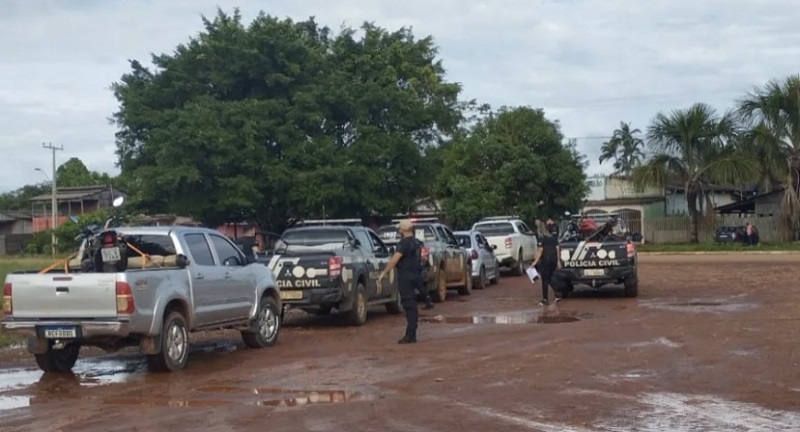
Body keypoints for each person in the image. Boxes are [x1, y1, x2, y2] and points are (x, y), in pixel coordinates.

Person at [379, 219, 424, 344]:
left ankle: (410, 334)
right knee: (412, 305)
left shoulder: (403, 244)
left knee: (409, 305)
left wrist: (384, 272)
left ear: (402, 230)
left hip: (405, 276)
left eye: (399, 228)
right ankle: (412, 332)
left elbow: (394, 260)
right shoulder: (417, 243)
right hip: (416, 275)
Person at [531, 218, 561, 306]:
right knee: (549, 277)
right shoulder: (551, 237)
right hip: (553, 259)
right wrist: (558, 260)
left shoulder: (541, 238)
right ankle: (557, 293)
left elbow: (540, 250)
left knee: (545, 279)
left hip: (546, 260)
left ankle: (545, 299)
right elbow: (557, 247)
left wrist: (535, 262)